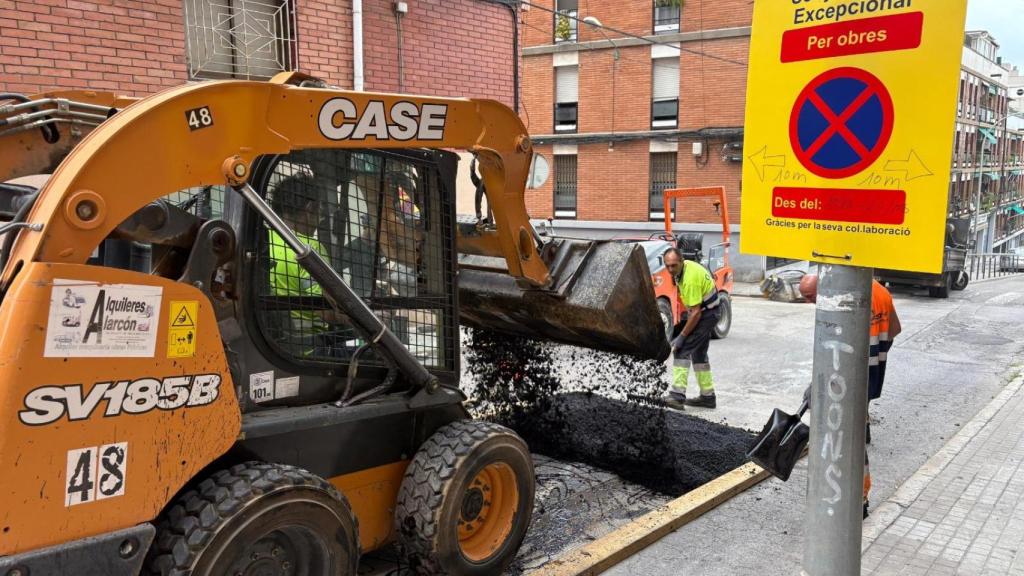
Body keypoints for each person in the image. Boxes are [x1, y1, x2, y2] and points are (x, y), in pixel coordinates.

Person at [798, 273, 902, 517]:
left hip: (848, 381)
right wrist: (877, 354)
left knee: (845, 441)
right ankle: (863, 425)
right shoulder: (881, 292)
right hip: (869, 375)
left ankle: (857, 498)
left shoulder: (846, 297)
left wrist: (818, 384)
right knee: (853, 428)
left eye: (810, 297)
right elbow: (894, 329)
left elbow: (836, 351)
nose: (809, 303)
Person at [662, 248, 721, 410]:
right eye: (667, 266)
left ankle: (677, 396)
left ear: (681, 261)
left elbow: (695, 313)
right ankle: (708, 397)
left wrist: (681, 336)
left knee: (681, 350)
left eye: (673, 266)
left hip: (706, 314)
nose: (670, 270)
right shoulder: (685, 268)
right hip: (707, 311)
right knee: (699, 354)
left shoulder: (690, 279)